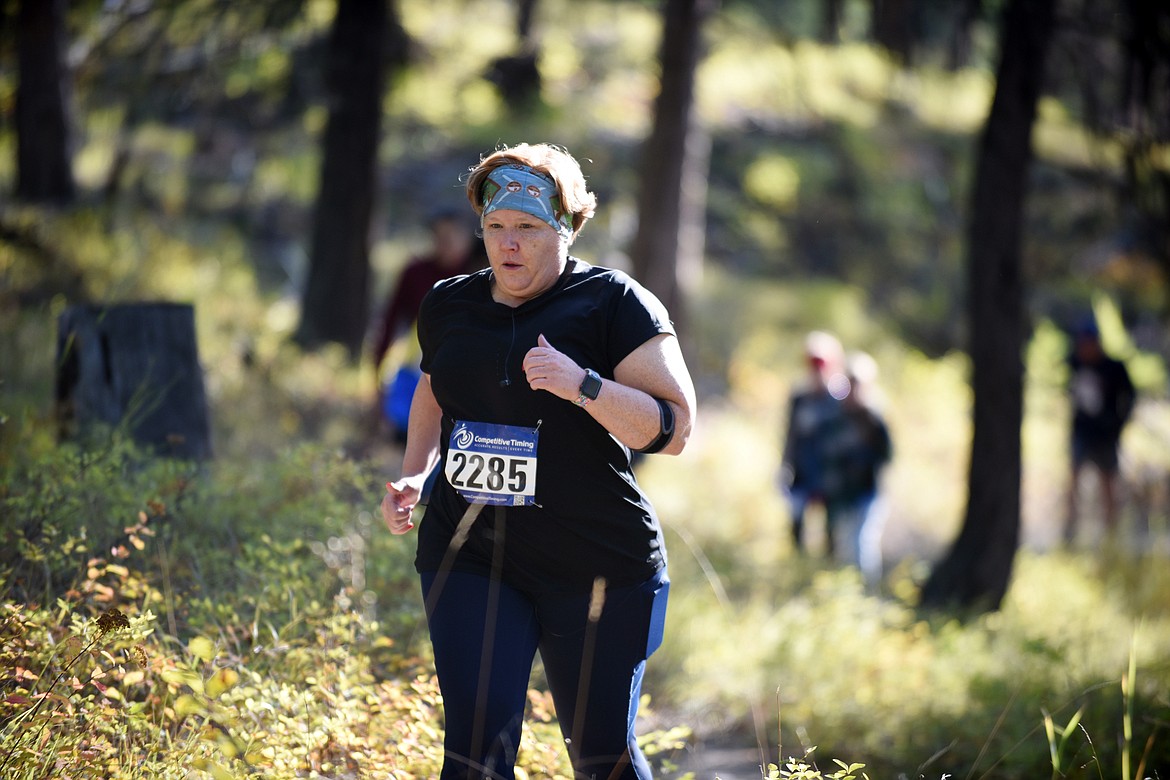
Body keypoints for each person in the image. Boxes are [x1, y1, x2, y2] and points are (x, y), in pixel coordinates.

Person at [379, 142, 696, 780]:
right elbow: (433, 391)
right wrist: (417, 471)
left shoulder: (614, 304)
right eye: (496, 227)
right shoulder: (449, 304)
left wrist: (583, 384)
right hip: (470, 553)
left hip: (597, 563)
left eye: (528, 227)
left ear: (569, 226)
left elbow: (675, 427)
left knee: (602, 758)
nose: (508, 244)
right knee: (473, 754)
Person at [369, 208, 485, 437]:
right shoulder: (416, 273)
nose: (447, 245)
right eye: (441, 238)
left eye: (453, 237)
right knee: (410, 432)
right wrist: (378, 378)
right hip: (420, 367)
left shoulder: (483, 274)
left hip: (471, 371)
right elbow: (390, 323)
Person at [821, 351, 892, 588]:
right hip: (840, 495)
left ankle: (868, 591)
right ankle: (846, 593)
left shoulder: (874, 417)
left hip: (866, 494)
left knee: (863, 546)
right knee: (843, 548)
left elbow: (886, 455)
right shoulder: (835, 415)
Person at [1063, 317, 1136, 545]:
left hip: (1106, 434)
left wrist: (1118, 423)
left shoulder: (1114, 368)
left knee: (1108, 484)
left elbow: (1130, 397)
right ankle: (1069, 533)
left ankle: (1111, 537)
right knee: (1073, 480)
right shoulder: (1075, 362)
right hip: (1081, 432)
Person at [778, 331, 849, 554]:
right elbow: (790, 434)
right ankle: (799, 566)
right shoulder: (799, 398)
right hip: (802, 471)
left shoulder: (840, 397)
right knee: (796, 525)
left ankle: (829, 571)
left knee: (831, 530)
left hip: (830, 472)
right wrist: (784, 466)